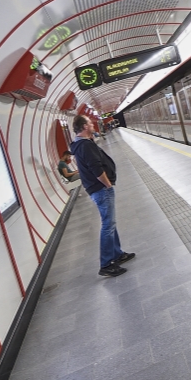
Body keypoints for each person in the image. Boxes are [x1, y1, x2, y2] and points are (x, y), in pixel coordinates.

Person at [70, 114, 134, 277]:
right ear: (84, 126)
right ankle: (106, 264)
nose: (93, 125)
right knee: (108, 225)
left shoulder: (81, 144)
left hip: (97, 189)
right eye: (90, 123)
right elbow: (96, 169)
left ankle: (117, 254)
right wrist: (107, 184)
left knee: (110, 223)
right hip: (101, 189)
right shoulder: (85, 145)